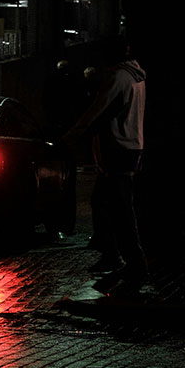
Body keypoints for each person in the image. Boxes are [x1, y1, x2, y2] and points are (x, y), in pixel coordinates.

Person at [62, 38, 149, 292]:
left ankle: (133, 263)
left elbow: (95, 113)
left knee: (118, 208)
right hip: (131, 146)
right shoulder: (136, 76)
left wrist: (69, 137)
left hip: (119, 149)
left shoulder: (117, 78)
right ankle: (118, 256)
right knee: (108, 203)